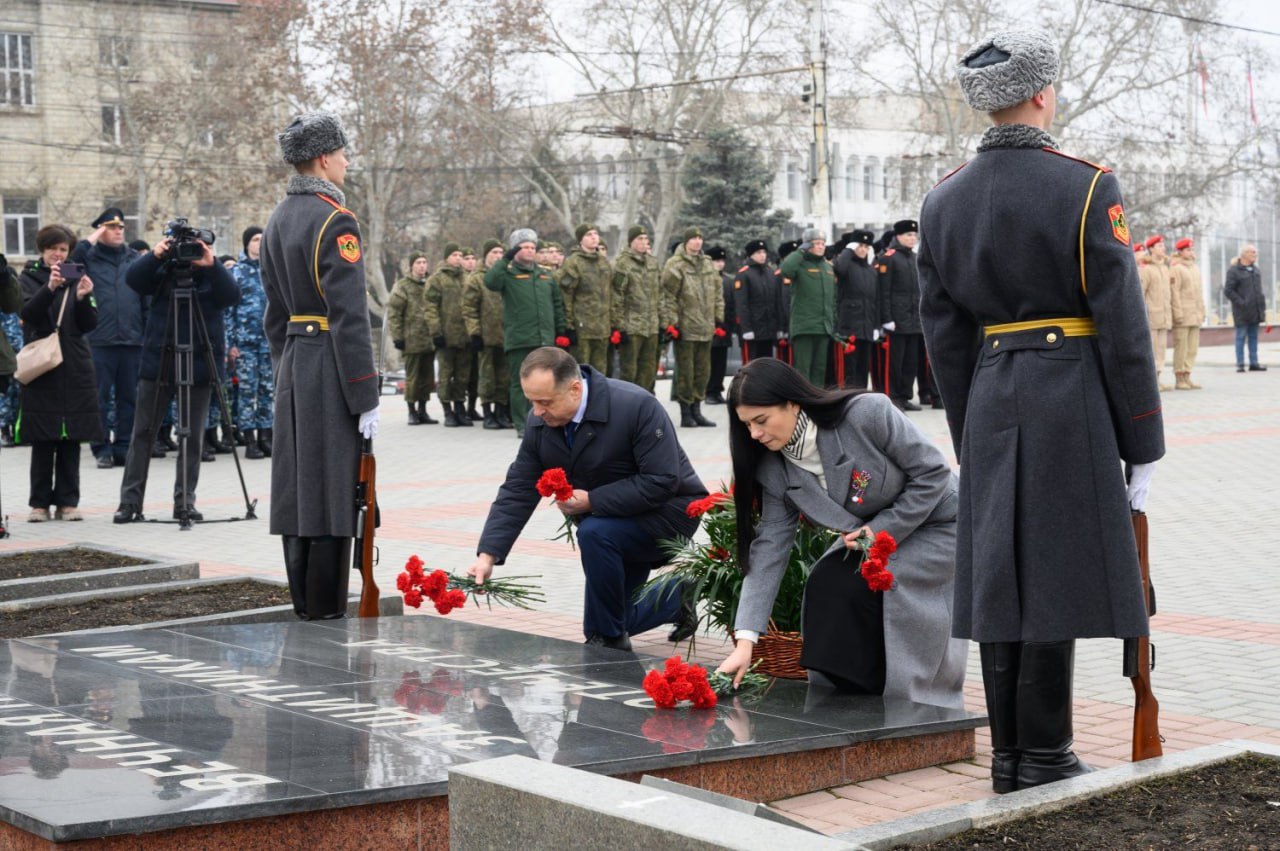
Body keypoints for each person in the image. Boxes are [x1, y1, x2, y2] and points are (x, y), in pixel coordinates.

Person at [919, 27, 1164, 793]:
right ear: (1042, 92)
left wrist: (968, 432)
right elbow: (1121, 324)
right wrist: (1144, 439)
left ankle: (1009, 757)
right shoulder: (1086, 185)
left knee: (1001, 573)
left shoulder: (941, 199)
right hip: (1071, 393)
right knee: (1053, 567)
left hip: (990, 394)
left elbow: (945, 338)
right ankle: (1047, 754)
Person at [715, 358, 967, 709]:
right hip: (873, 537)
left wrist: (877, 531)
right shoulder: (774, 469)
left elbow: (934, 474)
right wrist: (745, 641)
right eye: (746, 426)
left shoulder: (867, 414)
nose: (755, 434)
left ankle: (916, 700)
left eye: (761, 420)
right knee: (828, 582)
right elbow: (770, 549)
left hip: (942, 523)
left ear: (792, 403)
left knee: (875, 584)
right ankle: (848, 699)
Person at [467, 347, 705, 650]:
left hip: (667, 512)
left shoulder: (635, 406)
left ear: (575, 389)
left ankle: (612, 641)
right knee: (605, 622)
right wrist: (488, 555)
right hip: (611, 521)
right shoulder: (540, 422)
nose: (537, 411)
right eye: (531, 402)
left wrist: (593, 500)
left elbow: (662, 481)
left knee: (594, 536)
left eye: (544, 402)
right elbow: (518, 488)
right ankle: (676, 598)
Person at [260, 110, 381, 620]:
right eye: (344, 153)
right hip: (331, 363)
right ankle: (327, 604)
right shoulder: (337, 220)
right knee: (332, 484)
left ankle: (304, 600)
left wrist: (285, 366)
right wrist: (365, 392)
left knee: (297, 483)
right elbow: (350, 316)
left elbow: (273, 312)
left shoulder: (276, 218)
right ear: (324, 158)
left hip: (293, 361)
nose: (347, 162)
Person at [113, 226, 240, 524]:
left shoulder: (212, 274)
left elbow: (232, 295)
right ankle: (130, 503)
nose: (192, 253)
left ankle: (185, 502)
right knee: (142, 434)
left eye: (200, 247)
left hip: (199, 363)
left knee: (192, 437)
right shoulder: (163, 269)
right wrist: (156, 256)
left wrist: (213, 265)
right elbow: (133, 280)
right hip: (159, 361)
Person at [15, 227, 102, 521]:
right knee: (43, 437)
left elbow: (89, 324)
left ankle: (68, 502)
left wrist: (83, 296)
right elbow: (29, 315)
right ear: (42, 250)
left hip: (75, 365)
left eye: (63, 249)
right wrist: (50, 287)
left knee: (71, 438)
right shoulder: (28, 277)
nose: (58, 254)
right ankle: (39, 504)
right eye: (53, 248)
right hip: (43, 365)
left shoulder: (77, 277)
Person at [73, 208, 143, 469]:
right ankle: (101, 448)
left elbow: (145, 297)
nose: (118, 231)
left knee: (129, 398)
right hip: (99, 339)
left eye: (121, 227)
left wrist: (144, 334)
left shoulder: (133, 258)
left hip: (131, 340)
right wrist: (90, 239)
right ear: (100, 230)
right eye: (111, 227)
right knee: (99, 398)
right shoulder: (88, 259)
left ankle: (124, 447)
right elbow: (69, 266)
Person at [484, 229, 570, 437]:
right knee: (520, 383)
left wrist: (562, 331)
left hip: (545, 339)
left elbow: (557, 304)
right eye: (525, 247)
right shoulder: (508, 274)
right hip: (520, 339)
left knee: (549, 382)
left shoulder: (545, 274)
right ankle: (523, 424)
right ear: (515, 250)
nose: (531, 250)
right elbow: (490, 282)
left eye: (533, 247)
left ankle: (547, 420)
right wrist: (505, 259)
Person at [661, 227, 722, 428]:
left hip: (705, 327)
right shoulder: (675, 264)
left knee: (703, 371)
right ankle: (686, 412)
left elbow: (717, 292)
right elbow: (667, 295)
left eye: (700, 238)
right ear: (686, 241)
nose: (697, 242)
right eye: (693, 238)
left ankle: (698, 410)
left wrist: (718, 318)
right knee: (686, 372)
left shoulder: (707, 264)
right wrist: (672, 323)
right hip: (685, 328)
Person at [227, 226, 274, 458]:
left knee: (268, 390)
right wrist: (230, 344)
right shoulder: (236, 273)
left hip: (269, 343)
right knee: (247, 392)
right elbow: (228, 311)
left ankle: (266, 436)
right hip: (245, 344)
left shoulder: (272, 270)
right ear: (247, 244)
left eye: (263, 239)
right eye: (256, 239)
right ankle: (249, 439)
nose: (259, 243)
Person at [878, 219, 929, 410]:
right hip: (897, 320)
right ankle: (893, 396)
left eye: (914, 235)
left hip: (914, 318)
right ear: (898, 236)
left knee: (911, 361)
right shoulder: (888, 258)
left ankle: (906, 395)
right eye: (908, 235)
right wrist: (887, 318)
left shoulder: (915, 258)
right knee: (895, 361)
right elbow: (884, 292)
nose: (912, 238)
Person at [463, 239, 513, 430]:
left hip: (506, 335)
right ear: (486, 255)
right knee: (486, 377)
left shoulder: (506, 276)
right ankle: (487, 413)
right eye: (494, 253)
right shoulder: (476, 278)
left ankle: (500, 412)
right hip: (485, 336)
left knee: (503, 377)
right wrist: (475, 333)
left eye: (501, 253)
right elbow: (469, 308)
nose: (498, 256)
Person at [780, 228, 836, 388]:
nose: (821, 246)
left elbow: (833, 300)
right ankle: (801, 402)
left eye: (823, 243)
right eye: (816, 243)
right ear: (806, 245)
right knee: (803, 370)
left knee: (819, 370)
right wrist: (800, 252)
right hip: (804, 327)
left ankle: (816, 402)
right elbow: (785, 270)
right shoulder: (799, 264)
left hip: (823, 327)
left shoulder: (828, 268)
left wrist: (833, 323)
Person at [424, 243, 473, 428]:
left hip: (465, 336)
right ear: (446, 258)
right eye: (454, 255)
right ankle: (447, 411)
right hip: (445, 336)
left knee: (462, 376)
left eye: (460, 255)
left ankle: (460, 408)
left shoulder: (467, 278)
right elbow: (430, 307)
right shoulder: (437, 279)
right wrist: (436, 332)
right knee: (445, 376)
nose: (458, 258)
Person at [387, 251, 438, 425]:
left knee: (427, 378)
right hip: (411, 340)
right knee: (413, 378)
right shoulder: (403, 286)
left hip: (429, 339)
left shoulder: (431, 284)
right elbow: (394, 313)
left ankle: (423, 410)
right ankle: (411, 411)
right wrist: (398, 336)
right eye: (418, 262)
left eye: (424, 262)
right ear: (412, 266)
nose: (422, 265)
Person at [611, 225, 663, 393]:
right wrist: (620, 326)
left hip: (651, 326)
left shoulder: (653, 263)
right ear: (631, 241)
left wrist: (662, 322)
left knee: (648, 372)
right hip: (632, 326)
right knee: (629, 372)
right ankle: (628, 409)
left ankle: (645, 408)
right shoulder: (623, 264)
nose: (643, 242)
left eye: (645, 239)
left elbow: (660, 294)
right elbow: (617, 296)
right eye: (639, 239)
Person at [557, 224, 614, 375]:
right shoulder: (573, 262)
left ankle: (597, 398)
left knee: (600, 372)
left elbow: (610, 293)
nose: (594, 237)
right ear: (581, 240)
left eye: (595, 233)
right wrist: (569, 325)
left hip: (602, 328)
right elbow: (566, 295)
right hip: (582, 327)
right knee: (581, 371)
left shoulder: (604, 263)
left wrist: (613, 323)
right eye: (589, 234)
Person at [833, 230, 880, 389]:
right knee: (849, 367)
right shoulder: (847, 266)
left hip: (867, 325)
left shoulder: (871, 270)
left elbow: (875, 300)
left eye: (866, 247)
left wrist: (876, 326)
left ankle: (861, 395)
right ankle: (848, 396)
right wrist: (847, 249)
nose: (863, 249)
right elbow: (839, 268)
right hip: (850, 324)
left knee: (863, 366)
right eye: (859, 246)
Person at [733, 239, 787, 363]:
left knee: (766, 364)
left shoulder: (771, 273)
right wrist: (746, 329)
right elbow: (742, 305)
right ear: (751, 255)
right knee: (751, 365)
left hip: (769, 329)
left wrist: (779, 328)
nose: (762, 255)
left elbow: (777, 302)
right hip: (753, 329)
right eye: (758, 252)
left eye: (764, 252)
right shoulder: (744, 275)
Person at [1224, 244, 1267, 372]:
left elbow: (1258, 290)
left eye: (1255, 252)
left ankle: (1254, 363)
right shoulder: (1234, 271)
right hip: (1242, 311)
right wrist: (1241, 302)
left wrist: (1262, 306)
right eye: (1252, 252)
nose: (1255, 255)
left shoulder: (1256, 270)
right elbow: (1228, 291)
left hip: (1255, 310)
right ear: (1244, 254)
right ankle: (1240, 364)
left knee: (1254, 337)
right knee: (1241, 337)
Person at [1169, 238, 1205, 389]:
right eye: (1188, 250)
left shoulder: (1195, 268)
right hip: (1183, 313)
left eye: (1192, 250)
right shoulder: (1176, 268)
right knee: (1181, 347)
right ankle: (1179, 378)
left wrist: (1202, 311)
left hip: (1195, 314)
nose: (1191, 252)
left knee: (1192, 348)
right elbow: (1174, 292)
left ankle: (1188, 374)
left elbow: (1200, 292)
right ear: (1180, 252)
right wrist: (1178, 313)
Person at [1141, 235, 1174, 391]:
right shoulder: (1147, 270)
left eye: (1163, 245)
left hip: (1164, 316)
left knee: (1161, 350)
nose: (1163, 248)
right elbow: (1140, 294)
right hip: (1152, 317)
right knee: (1153, 350)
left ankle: (1158, 379)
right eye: (1159, 246)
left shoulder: (1165, 269)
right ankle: (1151, 382)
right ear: (1152, 249)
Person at [705, 246, 735, 404]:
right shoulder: (706, 280)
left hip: (725, 327)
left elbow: (731, 304)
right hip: (711, 327)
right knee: (710, 361)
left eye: (722, 261)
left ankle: (717, 389)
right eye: (717, 261)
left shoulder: (729, 280)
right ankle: (709, 390)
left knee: (721, 362)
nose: (720, 264)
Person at [0, 254, 23, 447]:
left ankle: (13, 429)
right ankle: (4, 429)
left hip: (12, 353)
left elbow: (13, 306)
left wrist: (5, 278)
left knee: (15, 392)